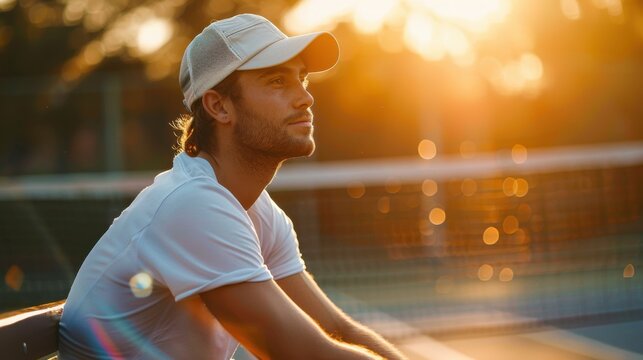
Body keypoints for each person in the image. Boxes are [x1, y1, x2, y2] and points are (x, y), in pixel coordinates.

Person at [58, 14, 407, 360]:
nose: (305, 98)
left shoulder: (256, 211)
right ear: (219, 106)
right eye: (276, 81)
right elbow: (305, 354)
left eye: (302, 80)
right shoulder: (192, 205)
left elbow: (336, 329)